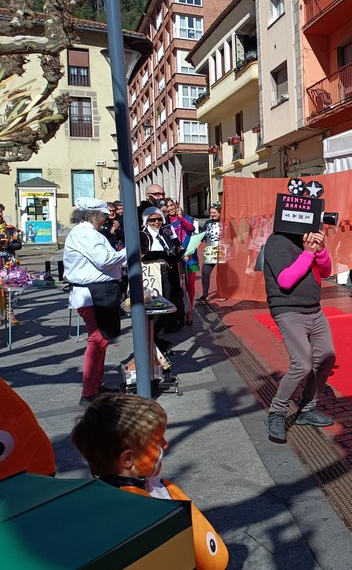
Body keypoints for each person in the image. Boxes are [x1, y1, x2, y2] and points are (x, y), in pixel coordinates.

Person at [71, 394, 228, 569]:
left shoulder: (146, 488)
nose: (166, 444)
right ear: (128, 458)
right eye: (158, 441)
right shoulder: (140, 513)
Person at [263, 225, 336, 442]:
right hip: (288, 310)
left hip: (314, 309)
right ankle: (276, 412)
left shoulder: (308, 237)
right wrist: (308, 252)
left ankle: (307, 409)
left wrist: (320, 250)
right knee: (302, 363)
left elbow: (326, 270)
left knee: (326, 356)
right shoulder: (277, 241)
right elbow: (285, 280)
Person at [63, 197, 127, 405]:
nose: (105, 220)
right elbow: (105, 260)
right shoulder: (84, 234)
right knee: (98, 340)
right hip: (92, 294)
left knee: (102, 340)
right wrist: (130, 251)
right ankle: (89, 391)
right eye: (103, 216)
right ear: (94, 215)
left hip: (98, 292)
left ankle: (95, 386)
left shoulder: (89, 233)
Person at [140, 207, 184, 351]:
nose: (157, 222)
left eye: (159, 219)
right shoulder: (143, 235)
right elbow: (143, 255)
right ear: (146, 221)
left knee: (166, 305)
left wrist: (181, 253)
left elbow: (172, 254)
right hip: (153, 275)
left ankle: (156, 338)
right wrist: (164, 253)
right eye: (152, 220)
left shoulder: (164, 234)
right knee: (156, 308)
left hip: (167, 273)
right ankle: (151, 342)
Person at [165, 199, 197, 326]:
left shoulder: (185, 217)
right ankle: (179, 311)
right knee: (177, 285)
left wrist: (181, 217)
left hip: (189, 255)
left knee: (190, 286)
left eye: (171, 205)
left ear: (176, 205)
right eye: (167, 206)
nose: (170, 208)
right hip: (175, 256)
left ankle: (190, 312)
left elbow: (191, 228)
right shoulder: (165, 220)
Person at [199, 204, 223, 302]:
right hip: (211, 250)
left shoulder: (225, 222)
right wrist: (193, 248)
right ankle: (204, 294)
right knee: (205, 272)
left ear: (220, 212)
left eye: (214, 212)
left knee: (222, 274)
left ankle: (223, 293)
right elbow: (201, 237)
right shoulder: (208, 223)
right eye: (211, 213)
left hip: (222, 249)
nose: (212, 215)